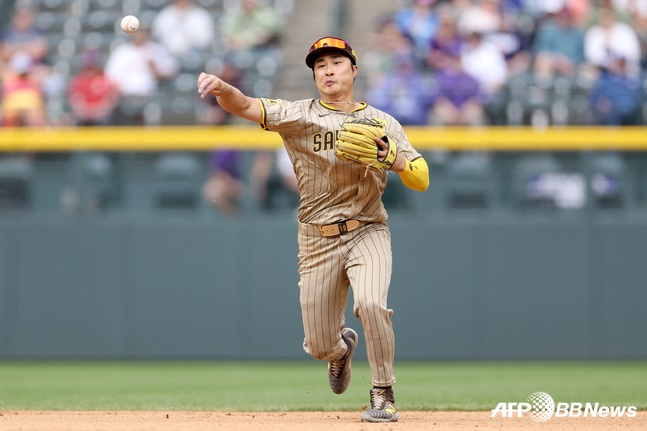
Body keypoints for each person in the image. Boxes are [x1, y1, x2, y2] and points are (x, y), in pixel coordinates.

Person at [197, 36, 429, 422]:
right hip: (317, 238)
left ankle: (383, 393)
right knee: (320, 345)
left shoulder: (383, 122)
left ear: (353, 70)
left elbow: (421, 178)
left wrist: (394, 159)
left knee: (371, 304)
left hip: (367, 228)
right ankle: (341, 351)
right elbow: (245, 105)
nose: (328, 70)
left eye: (336, 62)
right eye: (320, 65)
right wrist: (223, 88)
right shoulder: (297, 115)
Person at [66, 49, 119, 126]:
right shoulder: (79, 80)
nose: (90, 69)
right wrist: (86, 112)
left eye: (92, 66)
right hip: (83, 116)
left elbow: (110, 99)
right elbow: (75, 100)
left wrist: (97, 111)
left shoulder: (104, 79)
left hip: (101, 116)